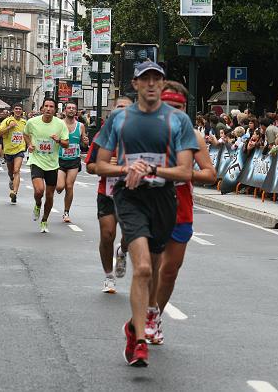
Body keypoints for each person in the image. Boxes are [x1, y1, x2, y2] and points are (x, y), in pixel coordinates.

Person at [94, 61, 198, 367]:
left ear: (162, 84)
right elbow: (99, 165)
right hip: (130, 197)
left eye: (157, 79)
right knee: (141, 269)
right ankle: (139, 340)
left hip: (164, 198)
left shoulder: (178, 121)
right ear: (136, 84)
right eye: (145, 79)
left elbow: (184, 171)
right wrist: (127, 168)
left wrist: (152, 168)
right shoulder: (120, 118)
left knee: (152, 268)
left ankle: (133, 326)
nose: (151, 84)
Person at [146, 81, 217, 345]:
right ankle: (146, 313)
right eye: (168, 106)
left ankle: (154, 316)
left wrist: (185, 173)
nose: (173, 112)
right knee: (151, 267)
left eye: (179, 107)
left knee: (170, 270)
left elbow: (211, 174)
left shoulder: (193, 136)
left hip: (180, 207)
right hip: (149, 205)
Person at [84, 96, 132, 293]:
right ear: (113, 111)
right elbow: (89, 166)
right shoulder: (102, 137)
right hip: (108, 193)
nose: (122, 110)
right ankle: (108, 276)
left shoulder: (142, 136)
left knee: (129, 236)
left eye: (127, 108)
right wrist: (104, 167)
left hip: (133, 194)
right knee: (107, 234)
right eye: (119, 107)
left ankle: (122, 251)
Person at [23, 98, 69, 233]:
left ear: (55, 110)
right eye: (46, 106)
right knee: (39, 191)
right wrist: (29, 144)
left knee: (49, 196)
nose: (48, 109)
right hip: (36, 160)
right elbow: (25, 134)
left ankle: (44, 220)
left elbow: (66, 144)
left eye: (51, 107)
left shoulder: (60, 124)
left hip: (52, 164)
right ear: (42, 108)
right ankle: (37, 204)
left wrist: (58, 140)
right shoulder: (32, 122)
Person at [56, 102, 89, 223]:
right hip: (60, 159)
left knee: (69, 186)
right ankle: (58, 187)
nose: (71, 110)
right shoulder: (59, 124)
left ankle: (66, 212)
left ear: (76, 112)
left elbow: (84, 143)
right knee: (60, 187)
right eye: (69, 108)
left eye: (73, 108)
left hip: (74, 160)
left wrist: (85, 141)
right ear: (65, 110)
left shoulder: (80, 126)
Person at [0, 103, 27, 204]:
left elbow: (28, 135)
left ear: (22, 111)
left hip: (20, 149)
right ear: (13, 110)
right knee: (11, 173)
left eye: (20, 109)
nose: (18, 111)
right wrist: (9, 127)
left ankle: (14, 192)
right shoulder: (7, 121)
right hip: (9, 151)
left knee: (17, 170)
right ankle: (11, 179)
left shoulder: (24, 123)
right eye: (16, 109)